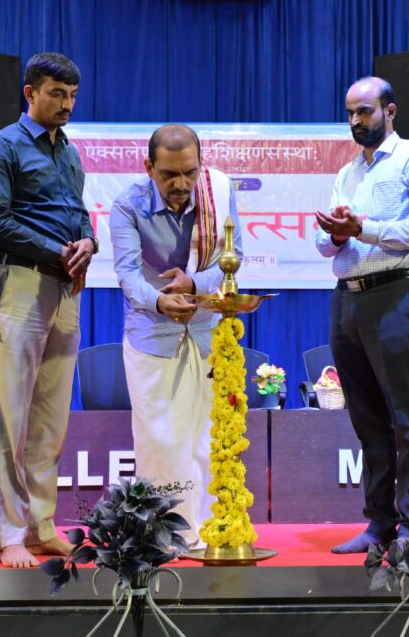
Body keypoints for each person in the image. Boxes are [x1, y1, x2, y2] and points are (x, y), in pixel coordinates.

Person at [314, 77, 409, 554]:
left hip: (395, 295)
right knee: (368, 423)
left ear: (390, 111)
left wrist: (362, 229)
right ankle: (379, 524)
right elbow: (323, 245)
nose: (355, 120)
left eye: (365, 111)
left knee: (408, 421)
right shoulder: (347, 172)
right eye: (350, 112)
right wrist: (335, 234)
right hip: (347, 300)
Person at [0, 52, 97, 568]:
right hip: (22, 281)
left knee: (51, 415)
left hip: (65, 287)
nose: (66, 104)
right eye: (57, 94)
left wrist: (88, 242)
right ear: (30, 93)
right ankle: (8, 533)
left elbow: (79, 214)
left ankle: (41, 525)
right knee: (13, 414)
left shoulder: (68, 150)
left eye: (72, 96)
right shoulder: (2, 146)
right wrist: (58, 252)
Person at [110, 124, 242, 549]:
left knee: (206, 438)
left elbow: (233, 260)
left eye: (189, 172)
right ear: (148, 167)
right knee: (159, 441)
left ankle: (207, 531)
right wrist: (159, 301)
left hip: (206, 334)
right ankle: (162, 537)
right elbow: (128, 274)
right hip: (152, 336)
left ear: (201, 165)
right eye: (169, 174)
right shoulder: (128, 205)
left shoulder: (217, 193)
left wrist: (195, 284)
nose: (181, 184)